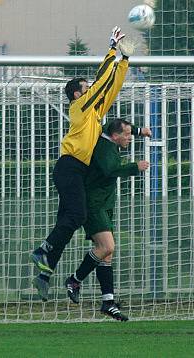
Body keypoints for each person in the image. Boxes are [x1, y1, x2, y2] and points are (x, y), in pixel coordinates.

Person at [31, 26, 151, 301]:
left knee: (70, 219)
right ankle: (44, 250)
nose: (90, 91)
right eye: (85, 89)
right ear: (77, 94)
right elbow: (100, 84)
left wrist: (124, 61)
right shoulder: (80, 107)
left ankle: (44, 272)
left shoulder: (93, 113)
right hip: (69, 166)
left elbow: (111, 88)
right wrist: (112, 49)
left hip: (77, 170)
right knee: (76, 216)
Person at [65, 119, 150, 321]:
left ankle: (108, 302)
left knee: (106, 254)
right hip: (94, 205)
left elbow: (112, 127)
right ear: (115, 136)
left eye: (131, 134)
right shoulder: (104, 148)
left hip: (104, 204)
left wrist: (140, 131)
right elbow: (111, 170)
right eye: (127, 135)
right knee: (107, 247)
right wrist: (135, 167)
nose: (130, 138)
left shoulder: (108, 138)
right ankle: (74, 280)